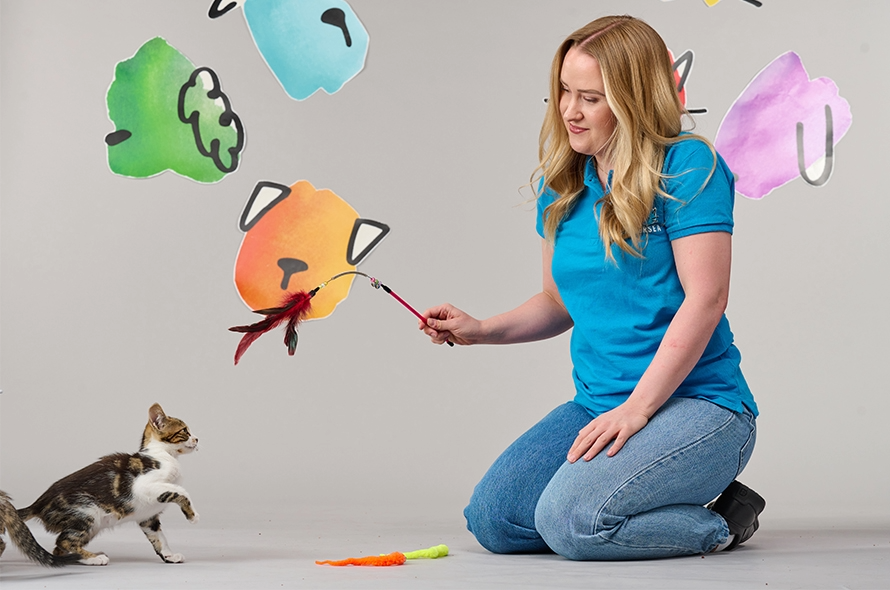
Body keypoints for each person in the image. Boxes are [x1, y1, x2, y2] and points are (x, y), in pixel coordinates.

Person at [419, 15, 765, 560]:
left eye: (590, 98)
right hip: (598, 404)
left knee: (570, 523)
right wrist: (481, 329)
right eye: (563, 91)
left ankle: (723, 522)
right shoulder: (561, 185)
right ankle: (609, 505)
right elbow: (558, 303)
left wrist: (638, 409)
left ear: (632, 101)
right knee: (494, 520)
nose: (569, 111)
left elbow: (707, 299)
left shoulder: (687, 165)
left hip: (700, 407)